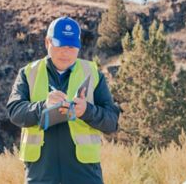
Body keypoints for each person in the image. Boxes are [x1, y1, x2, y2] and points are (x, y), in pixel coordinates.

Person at [7, 16, 120, 184]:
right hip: (41, 174)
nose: (66, 52)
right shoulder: (28, 72)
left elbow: (112, 122)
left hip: (85, 175)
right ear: (48, 43)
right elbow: (14, 112)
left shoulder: (93, 73)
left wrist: (87, 111)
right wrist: (42, 107)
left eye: (71, 46)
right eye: (60, 45)